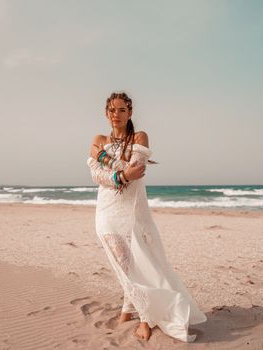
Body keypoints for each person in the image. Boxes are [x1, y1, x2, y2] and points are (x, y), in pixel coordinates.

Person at [86, 92, 207, 342]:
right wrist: (120, 175)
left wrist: (106, 159)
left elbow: (138, 171)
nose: (115, 115)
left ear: (130, 113)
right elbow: (97, 176)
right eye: (111, 110)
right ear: (105, 113)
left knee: (138, 262)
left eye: (121, 110)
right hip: (106, 209)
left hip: (132, 211)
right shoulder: (98, 139)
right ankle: (134, 309)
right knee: (122, 262)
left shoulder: (140, 137)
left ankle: (141, 316)